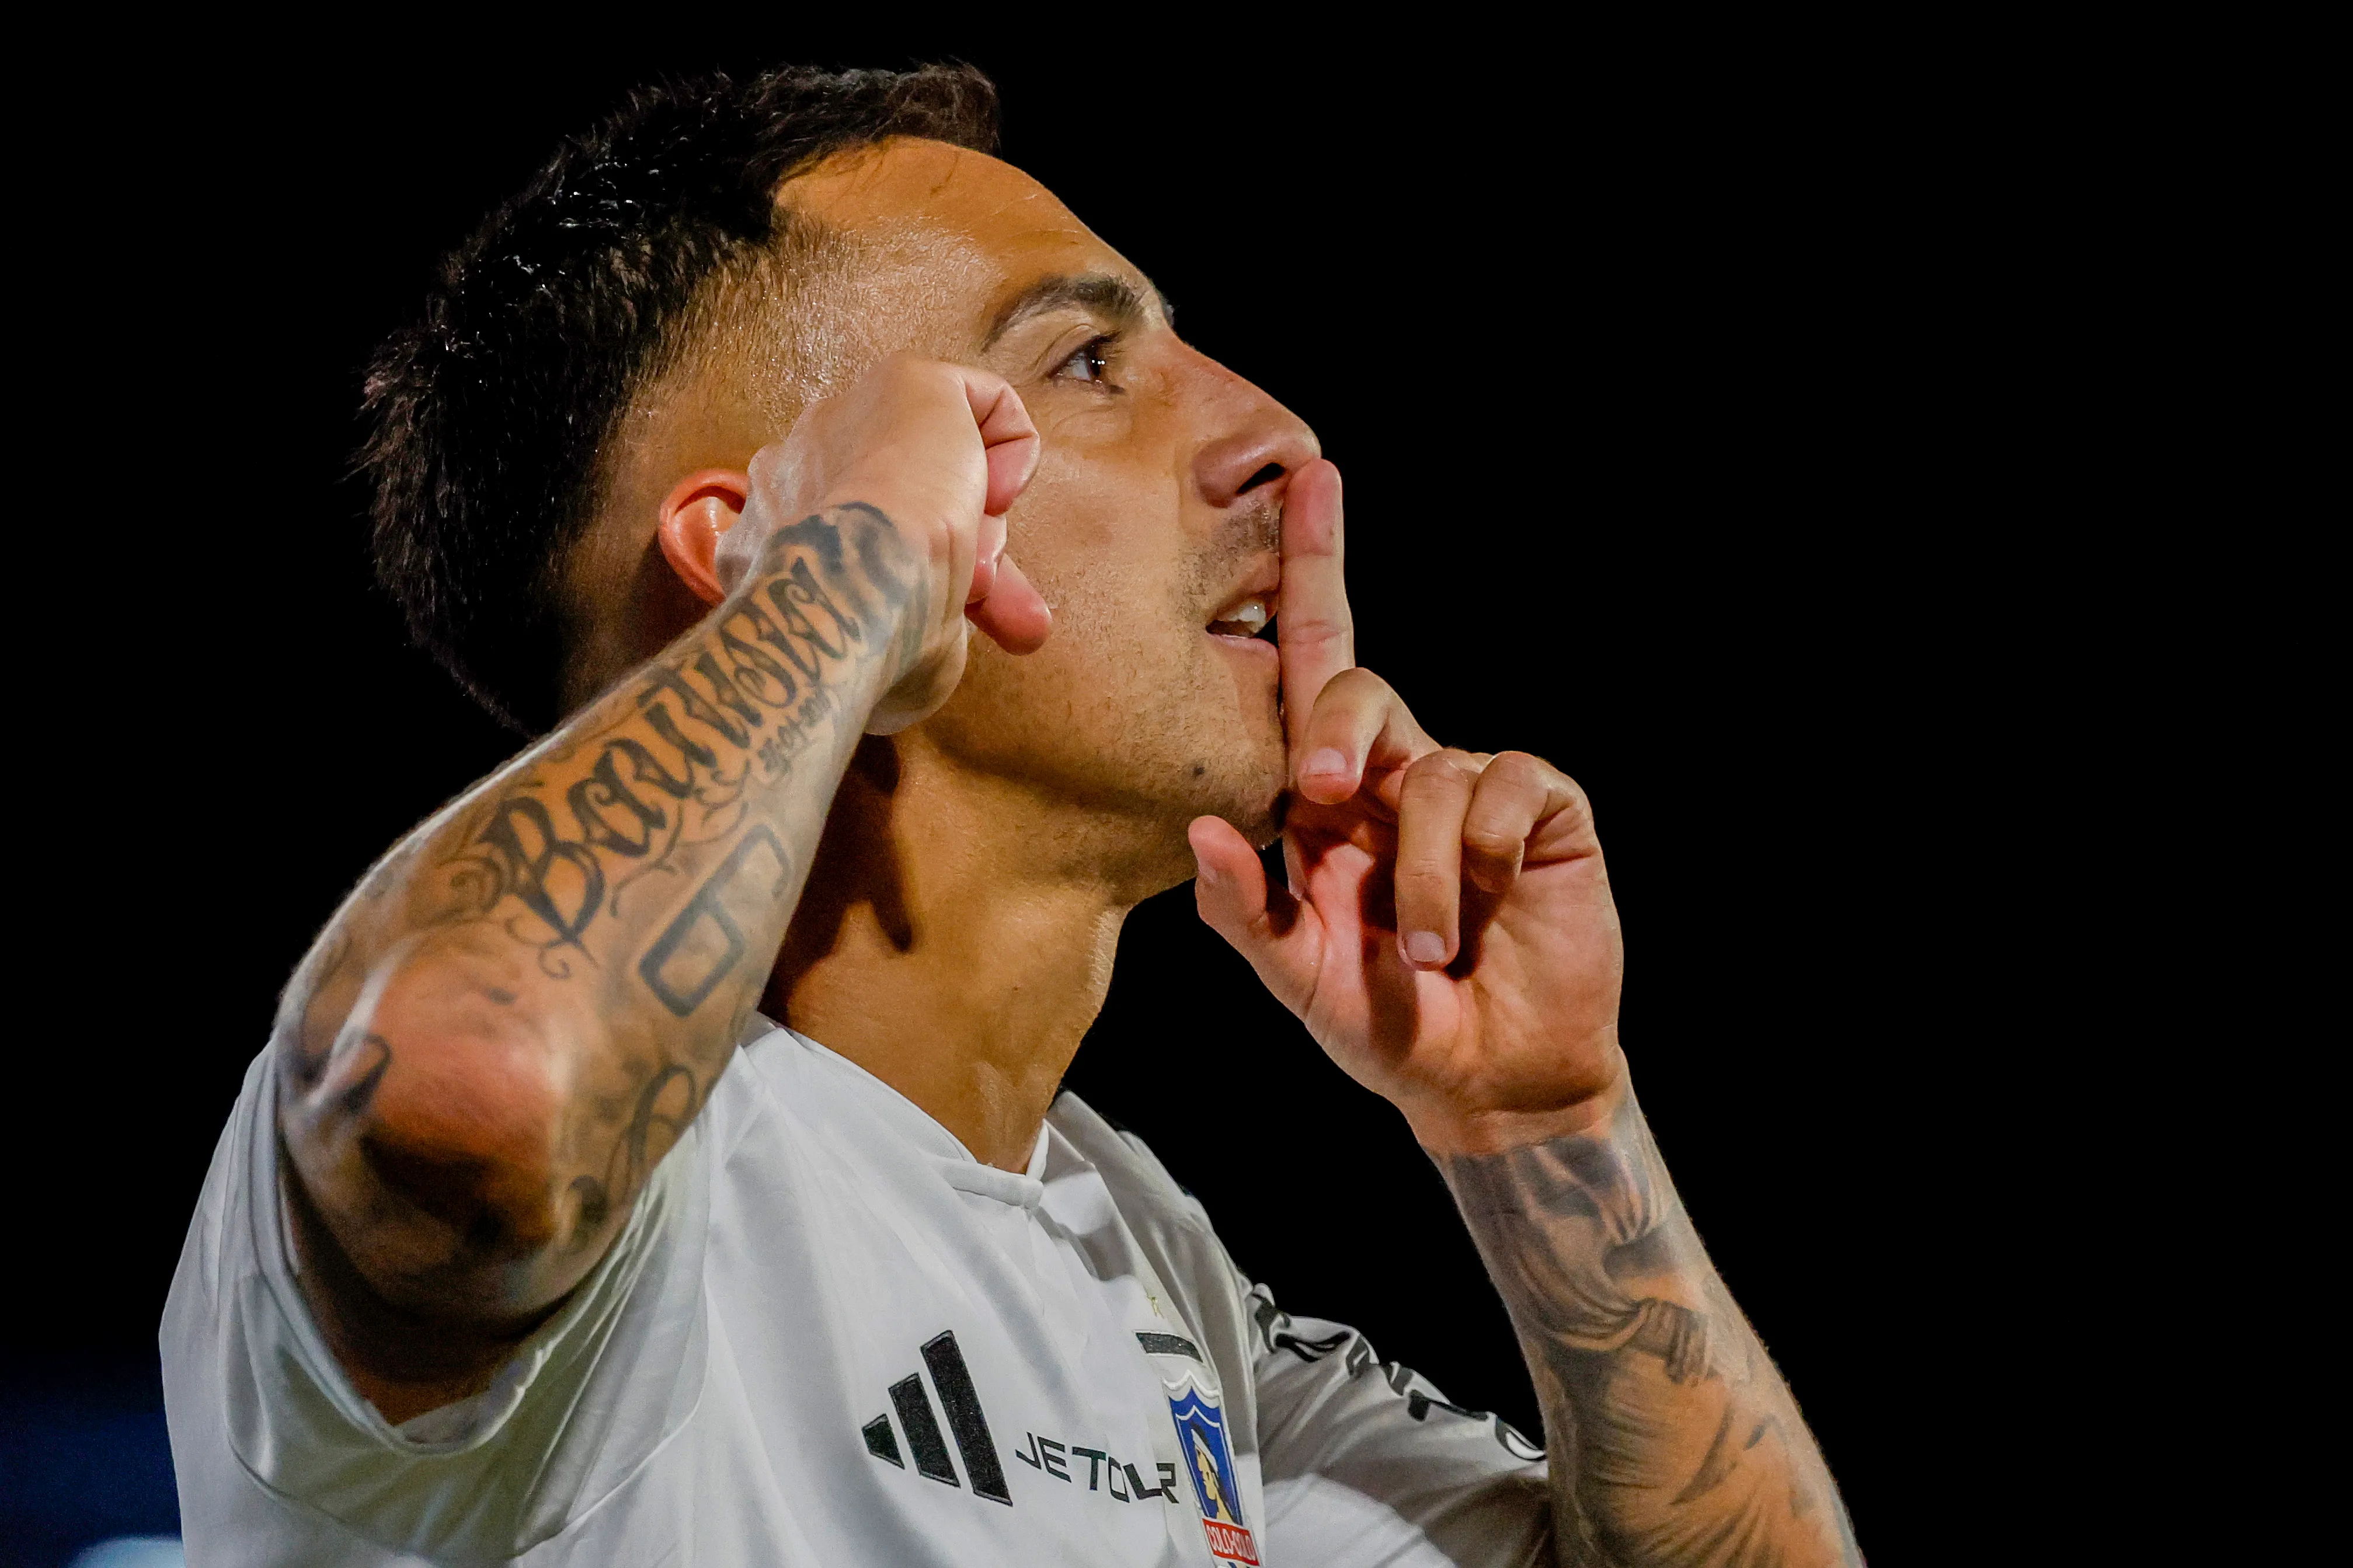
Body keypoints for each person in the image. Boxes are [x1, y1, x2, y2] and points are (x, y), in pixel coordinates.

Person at [160, 63, 1860, 1567]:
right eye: (1090, 359)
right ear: (758, 525)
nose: (1275, 435)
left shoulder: (1152, 1273)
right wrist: (831, 586)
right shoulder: (625, 1173)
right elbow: (482, 1093)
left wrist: (1544, 1118)